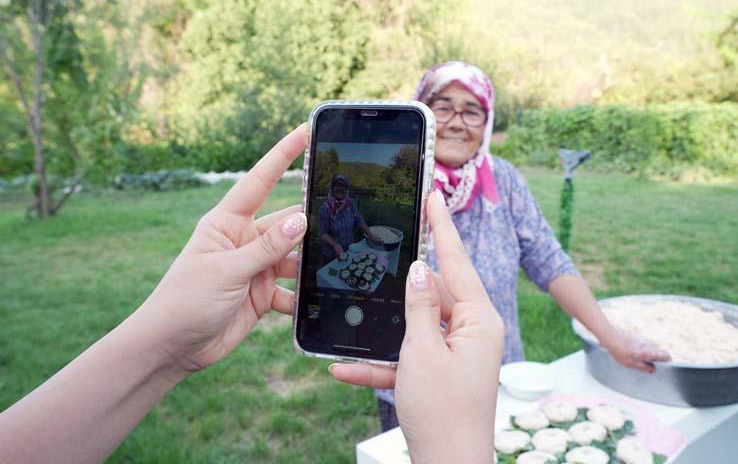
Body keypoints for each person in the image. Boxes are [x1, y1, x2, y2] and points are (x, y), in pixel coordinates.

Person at [0, 125, 504, 464]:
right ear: (335, 192)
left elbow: (358, 226)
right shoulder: (327, 207)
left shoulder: (351, 204)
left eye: (348, 192)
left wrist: (163, 348)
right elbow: (329, 233)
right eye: (341, 192)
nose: (344, 196)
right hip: (332, 257)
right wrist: (457, 445)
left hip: (353, 253)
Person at [367, 61, 671, 432]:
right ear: (422, 112)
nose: (457, 122)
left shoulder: (505, 181)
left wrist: (609, 337)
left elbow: (548, 260)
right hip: (411, 379)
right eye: (442, 106)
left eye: (472, 110)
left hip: (497, 377)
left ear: (488, 121)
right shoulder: (393, 182)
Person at [319, 173, 382, 263]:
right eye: (337, 185)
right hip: (331, 253)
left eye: (343, 186)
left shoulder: (351, 203)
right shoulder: (325, 208)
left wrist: (371, 236)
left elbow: (359, 221)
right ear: (332, 188)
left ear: (347, 189)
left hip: (349, 249)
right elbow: (323, 233)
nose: (340, 189)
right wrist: (335, 244)